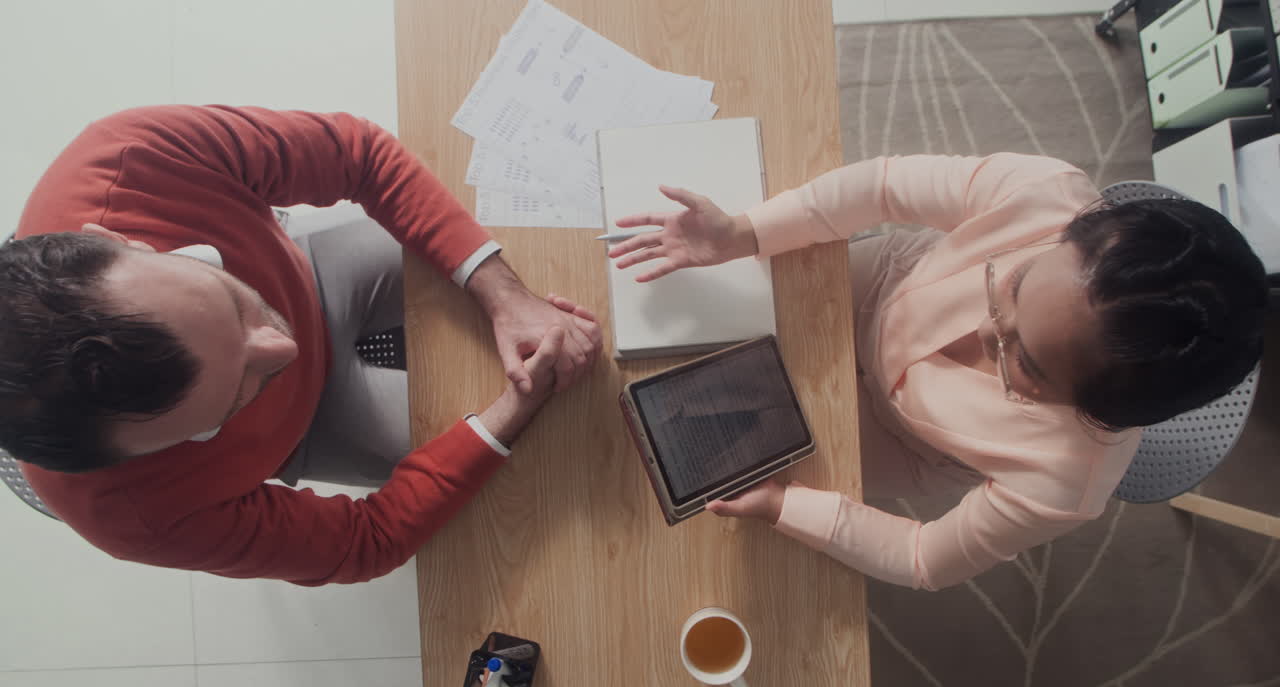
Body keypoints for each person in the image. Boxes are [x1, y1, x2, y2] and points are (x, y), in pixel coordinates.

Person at [607, 153, 1268, 590]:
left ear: (1095, 411)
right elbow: (882, 186)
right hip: (882, 286)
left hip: (911, 440)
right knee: (676, 343)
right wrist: (744, 233)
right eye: (1011, 284)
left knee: (719, 463)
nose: (984, 330)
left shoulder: (1066, 483)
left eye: (1025, 364)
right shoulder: (1046, 194)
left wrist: (790, 506)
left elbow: (925, 558)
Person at [0, 105, 601, 585]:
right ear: (134, 459)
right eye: (234, 399)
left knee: (547, 251)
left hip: (312, 272)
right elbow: (369, 542)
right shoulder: (129, 515)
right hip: (309, 429)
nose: (282, 351)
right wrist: (508, 415)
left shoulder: (127, 157)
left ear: (117, 239)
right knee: (563, 449)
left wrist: (503, 294)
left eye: (233, 302)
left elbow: (358, 156)